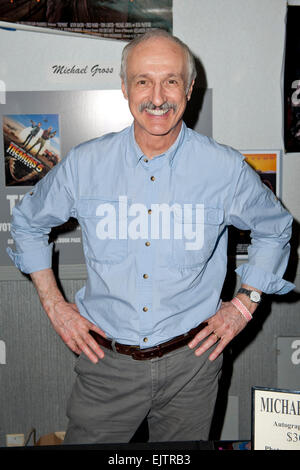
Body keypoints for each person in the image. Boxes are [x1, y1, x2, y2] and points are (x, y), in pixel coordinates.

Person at [8, 30, 294, 444]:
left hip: (193, 365)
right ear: (124, 87)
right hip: (106, 364)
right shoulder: (85, 164)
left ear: (190, 89)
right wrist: (54, 304)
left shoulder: (225, 169)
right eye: (143, 80)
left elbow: (276, 228)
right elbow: (28, 223)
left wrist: (244, 306)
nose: (157, 96)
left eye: (171, 81)